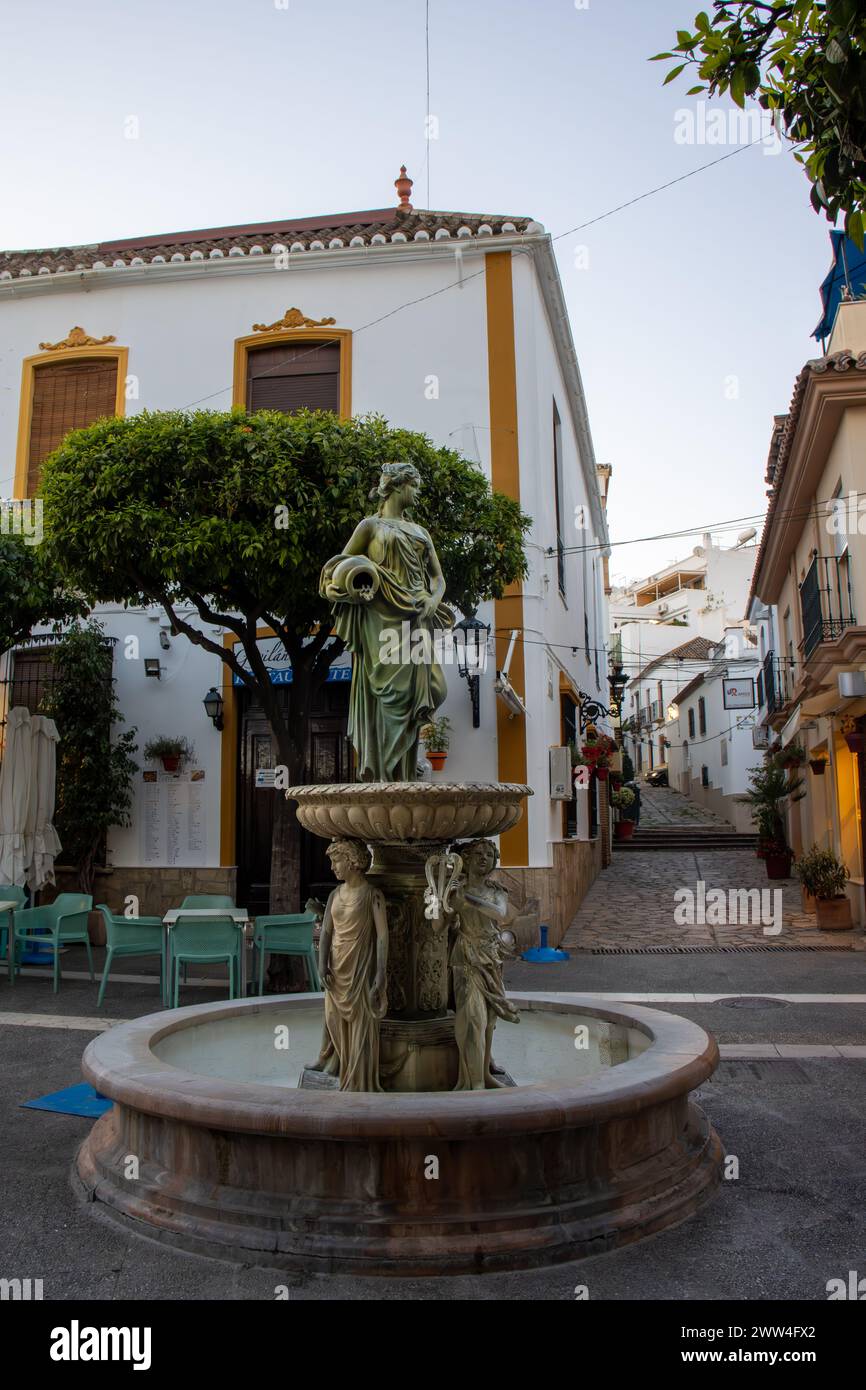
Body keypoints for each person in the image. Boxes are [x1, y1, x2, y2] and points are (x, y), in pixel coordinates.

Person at [320, 461, 453, 781]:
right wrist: (355, 585)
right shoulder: (370, 527)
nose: (418, 492)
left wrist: (433, 601)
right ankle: (385, 773)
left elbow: (438, 578)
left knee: (435, 687)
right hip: (380, 619)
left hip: (417, 618)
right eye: (415, 486)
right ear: (397, 486)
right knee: (389, 694)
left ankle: (402, 771)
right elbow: (341, 565)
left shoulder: (420, 532)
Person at [310, 839, 388, 1092]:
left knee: (360, 1023)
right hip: (336, 966)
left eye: (337, 860)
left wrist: (381, 974)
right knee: (332, 1017)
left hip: (359, 967)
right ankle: (333, 1058)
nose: (333, 867)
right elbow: (326, 933)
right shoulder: (335, 894)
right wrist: (321, 965)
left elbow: (382, 936)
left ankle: (357, 1074)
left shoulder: (371, 895)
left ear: (353, 862)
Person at [448, 839, 520, 1091]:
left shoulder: (496, 891)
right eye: (477, 854)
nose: (483, 858)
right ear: (465, 860)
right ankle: (474, 1082)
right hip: (466, 956)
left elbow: (500, 914)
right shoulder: (455, 889)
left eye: (488, 855)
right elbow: (438, 925)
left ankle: (485, 1075)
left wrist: (465, 898)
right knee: (473, 1018)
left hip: (491, 956)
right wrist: (444, 900)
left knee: (489, 1021)